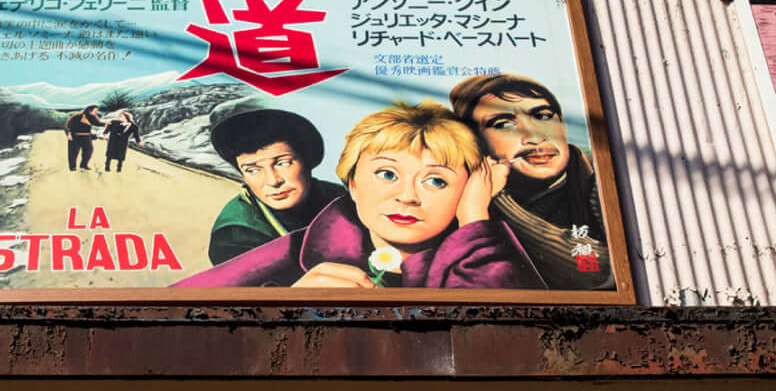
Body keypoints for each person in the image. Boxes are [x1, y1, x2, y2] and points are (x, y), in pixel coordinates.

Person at [173, 101, 544, 289]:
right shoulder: (259, 240)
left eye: (435, 181)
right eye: (386, 174)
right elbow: (177, 313)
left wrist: (475, 216)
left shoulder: (485, 241)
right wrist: (285, 304)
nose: (407, 197)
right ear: (353, 183)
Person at [450, 73, 612, 290]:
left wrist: (497, 200)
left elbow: (595, 272)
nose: (535, 138)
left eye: (543, 116)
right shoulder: (455, 202)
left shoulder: (602, 188)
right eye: (503, 124)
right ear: (476, 142)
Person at [206, 104, 345, 265]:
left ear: (307, 160)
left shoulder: (344, 198)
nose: (273, 181)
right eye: (252, 170)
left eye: (283, 163)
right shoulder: (234, 236)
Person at [64, 105, 104, 171]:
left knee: (89, 151)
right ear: (89, 110)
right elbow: (67, 125)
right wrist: (68, 134)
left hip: (86, 136)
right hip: (74, 136)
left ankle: (83, 165)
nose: (96, 112)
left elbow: (98, 123)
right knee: (73, 152)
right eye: (95, 111)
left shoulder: (93, 117)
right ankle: (72, 167)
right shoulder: (76, 116)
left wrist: (109, 124)